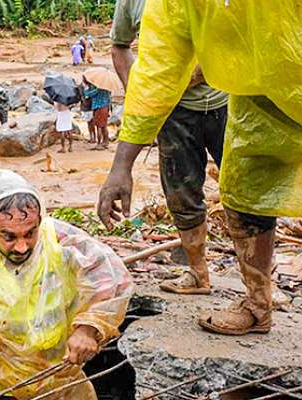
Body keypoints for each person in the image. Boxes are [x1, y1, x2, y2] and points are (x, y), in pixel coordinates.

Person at [100, 0, 302, 369]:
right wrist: (121, 166)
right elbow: (159, 65)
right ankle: (256, 303)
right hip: (263, 86)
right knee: (243, 188)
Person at [0, 169, 133, 399]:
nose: (22, 246)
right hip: (4, 385)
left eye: (30, 233)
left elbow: (110, 278)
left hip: (65, 375)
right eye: (9, 236)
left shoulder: (60, 242)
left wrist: (88, 328)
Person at [106, 0, 228, 295]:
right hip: (173, 112)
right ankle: (198, 273)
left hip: (229, 101)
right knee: (180, 192)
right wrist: (138, 92)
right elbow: (119, 46)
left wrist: (193, 74)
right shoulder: (131, 2)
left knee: (249, 191)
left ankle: (261, 285)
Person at [83, 80, 110, 150]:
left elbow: (88, 94)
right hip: (105, 108)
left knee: (98, 127)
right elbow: (109, 100)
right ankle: (106, 142)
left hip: (98, 108)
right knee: (104, 126)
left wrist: (85, 90)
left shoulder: (97, 89)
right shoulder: (107, 90)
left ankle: (99, 143)